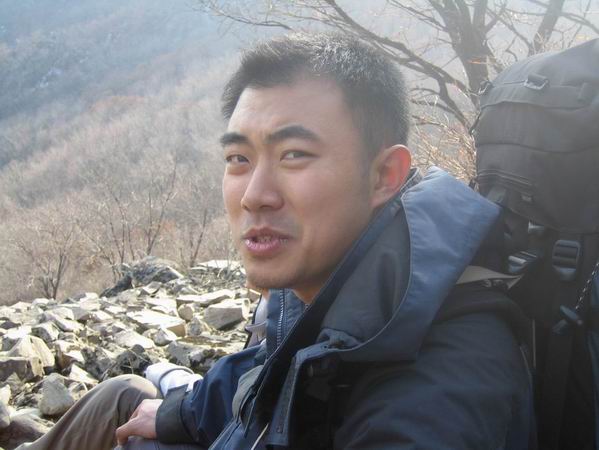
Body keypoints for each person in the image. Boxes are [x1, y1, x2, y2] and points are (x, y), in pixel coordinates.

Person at [20, 33, 533, 450]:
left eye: (293, 155)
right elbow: (271, 373)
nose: (254, 196)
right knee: (123, 396)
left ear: (384, 175)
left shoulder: (437, 390)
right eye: (238, 159)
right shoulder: (343, 285)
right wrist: (182, 412)